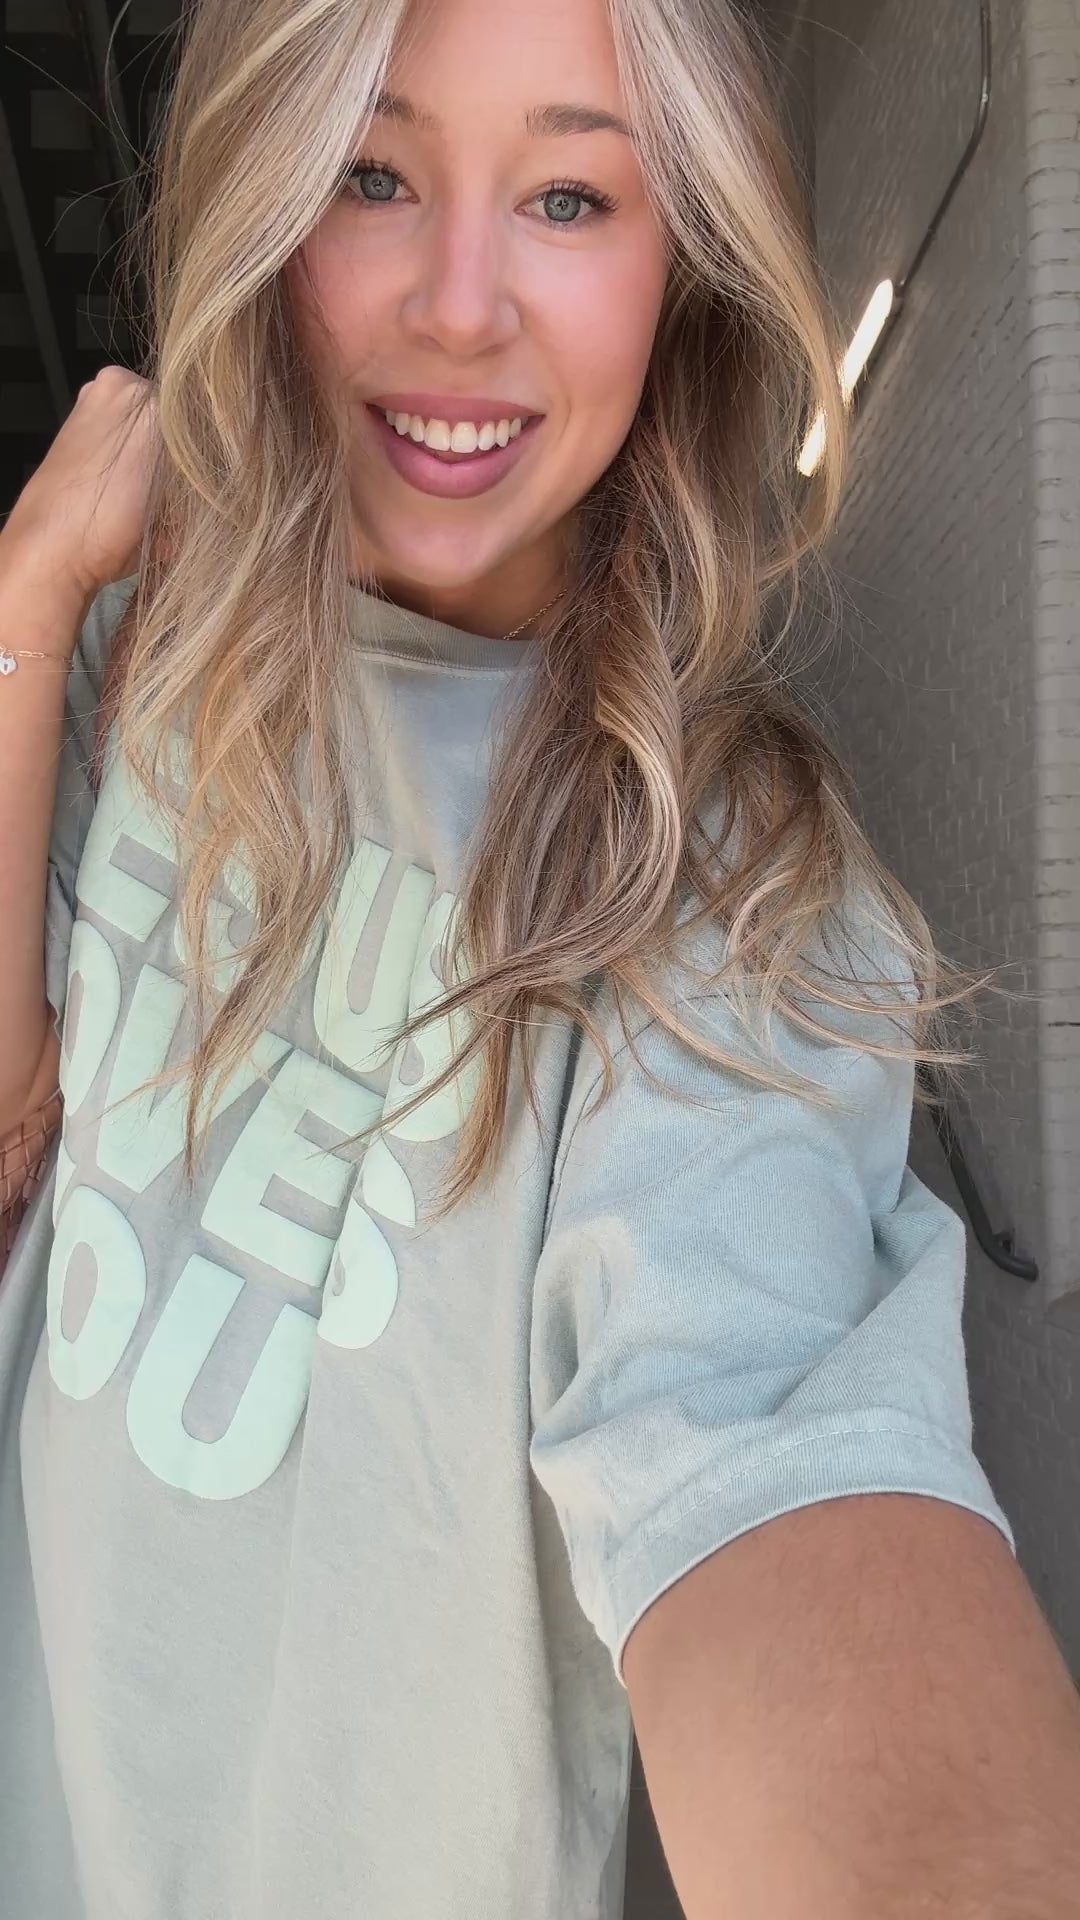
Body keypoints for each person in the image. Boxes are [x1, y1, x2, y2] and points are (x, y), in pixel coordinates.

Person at [1, 0, 1079, 1915]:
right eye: (372, 173)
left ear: (689, 262)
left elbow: (761, 1437)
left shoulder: (728, 893)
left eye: (571, 196)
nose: (458, 307)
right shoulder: (143, 655)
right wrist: (26, 605)